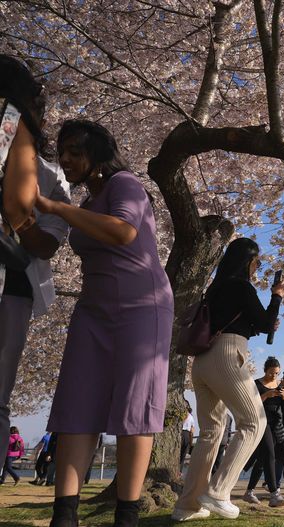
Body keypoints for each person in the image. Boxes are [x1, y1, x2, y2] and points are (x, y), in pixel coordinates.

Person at [36, 119, 174, 527]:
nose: (65, 159)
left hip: (142, 306)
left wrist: (55, 208)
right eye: (61, 151)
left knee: (136, 405)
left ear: (98, 153)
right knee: (76, 403)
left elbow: (124, 231)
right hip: (92, 309)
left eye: (75, 150)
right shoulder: (85, 203)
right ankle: (65, 514)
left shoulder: (125, 183)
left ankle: (126, 515)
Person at [171, 237, 284, 522]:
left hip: (202, 361)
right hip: (228, 354)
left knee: (211, 432)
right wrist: (277, 296)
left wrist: (264, 321)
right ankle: (219, 492)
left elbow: (248, 322)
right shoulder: (241, 285)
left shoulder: (216, 287)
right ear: (248, 260)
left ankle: (187, 506)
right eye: (257, 261)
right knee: (254, 421)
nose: (258, 267)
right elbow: (264, 323)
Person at [1, 54, 70, 461]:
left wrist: (22, 221)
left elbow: (47, 241)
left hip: (14, 281)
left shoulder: (46, 172)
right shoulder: (13, 127)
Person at [242, 356, 284, 508]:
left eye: (276, 373)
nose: (274, 376)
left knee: (262, 459)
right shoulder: (256, 384)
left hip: (277, 425)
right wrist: (266, 395)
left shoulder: (280, 385)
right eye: (271, 373)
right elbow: (250, 404)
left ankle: (249, 492)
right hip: (262, 422)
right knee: (269, 454)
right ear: (265, 370)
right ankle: (274, 494)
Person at [180, 403, 195, 473]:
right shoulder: (191, 418)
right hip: (186, 434)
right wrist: (191, 442)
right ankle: (179, 471)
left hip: (179, 432)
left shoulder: (180, 415)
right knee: (183, 455)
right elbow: (192, 431)